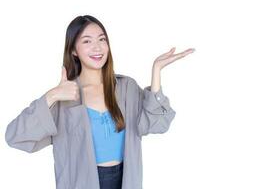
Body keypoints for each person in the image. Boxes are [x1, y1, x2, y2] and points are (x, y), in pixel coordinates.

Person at [5, 15, 195, 189]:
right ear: (73, 50)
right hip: (83, 182)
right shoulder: (66, 97)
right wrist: (52, 95)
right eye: (87, 41)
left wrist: (156, 72)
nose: (97, 47)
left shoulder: (126, 87)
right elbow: (15, 137)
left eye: (102, 39)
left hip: (125, 180)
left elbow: (158, 125)